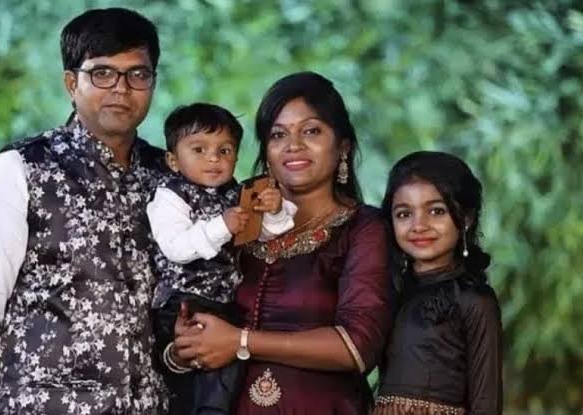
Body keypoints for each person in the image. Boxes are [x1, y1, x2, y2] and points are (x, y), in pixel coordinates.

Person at [0, 8, 170, 414]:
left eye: (137, 74)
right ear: (71, 83)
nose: (121, 88)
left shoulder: (168, 179)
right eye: (102, 73)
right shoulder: (22, 170)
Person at [169, 72, 393, 414]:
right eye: (278, 134)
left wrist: (240, 341)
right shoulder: (232, 218)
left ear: (343, 147)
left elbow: (359, 346)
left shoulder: (364, 228)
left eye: (311, 131)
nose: (293, 145)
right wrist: (182, 349)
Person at [148, 103, 296, 414]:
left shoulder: (235, 194)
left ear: (236, 158)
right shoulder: (170, 196)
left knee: (227, 370)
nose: (214, 158)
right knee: (185, 378)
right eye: (199, 149)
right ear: (173, 160)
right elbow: (176, 247)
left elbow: (261, 235)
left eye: (225, 150)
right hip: (182, 301)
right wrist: (221, 227)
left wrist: (274, 211)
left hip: (223, 302)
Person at [374, 151, 503, 415]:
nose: (419, 225)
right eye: (403, 214)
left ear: (466, 219)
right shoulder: (389, 291)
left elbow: (486, 401)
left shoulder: (474, 300)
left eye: (436, 211)